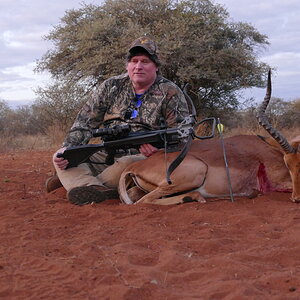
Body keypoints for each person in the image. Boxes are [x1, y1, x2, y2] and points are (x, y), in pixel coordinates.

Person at [50, 36, 190, 205]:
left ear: (156, 67)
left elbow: (183, 136)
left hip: (142, 158)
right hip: (107, 152)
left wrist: (160, 151)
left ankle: (78, 184)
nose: (138, 66)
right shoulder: (111, 86)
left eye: (145, 61)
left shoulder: (171, 92)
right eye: (134, 61)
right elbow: (84, 123)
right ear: (127, 65)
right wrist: (68, 148)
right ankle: (97, 188)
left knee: (128, 163)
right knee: (62, 157)